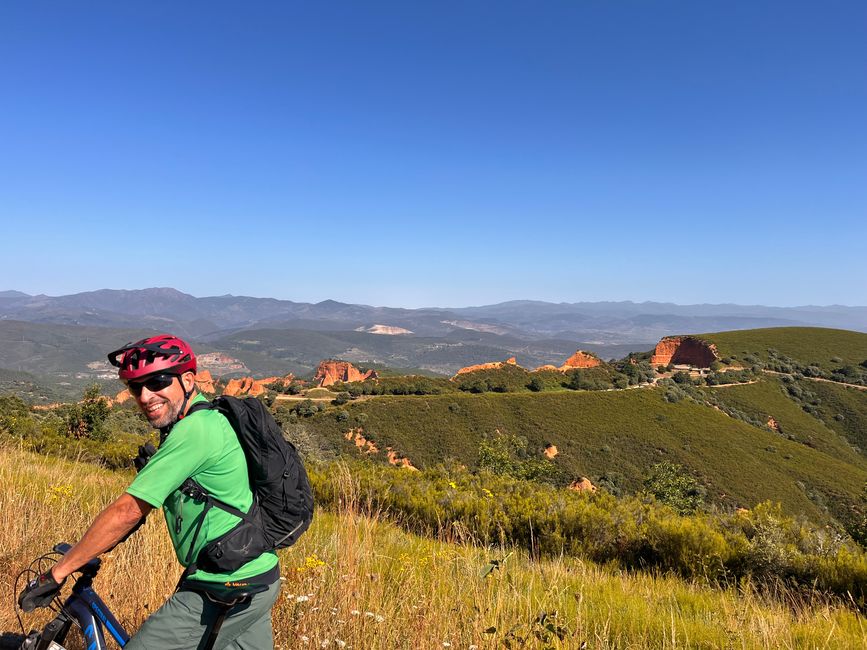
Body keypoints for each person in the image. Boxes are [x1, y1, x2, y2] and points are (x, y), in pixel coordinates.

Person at [18, 334, 281, 649]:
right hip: (259, 578)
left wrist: (58, 572)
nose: (145, 396)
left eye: (157, 382)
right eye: (135, 387)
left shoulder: (194, 430)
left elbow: (127, 511)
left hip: (223, 588)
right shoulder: (207, 419)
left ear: (187, 380)